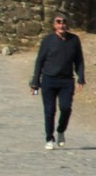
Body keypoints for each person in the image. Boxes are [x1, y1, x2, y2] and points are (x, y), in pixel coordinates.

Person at [27, 15, 88, 150]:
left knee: (66, 108)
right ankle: (49, 138)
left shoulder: (74, 40)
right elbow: (39, 61)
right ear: (54, 25)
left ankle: (60, 130)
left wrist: (81, 77)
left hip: (66, 81)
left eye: (64, 22)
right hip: (49, 80)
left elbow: (79, 60)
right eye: (58, 22)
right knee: (49, 111)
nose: (61, 25)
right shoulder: (47, 40)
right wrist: (35, 82)